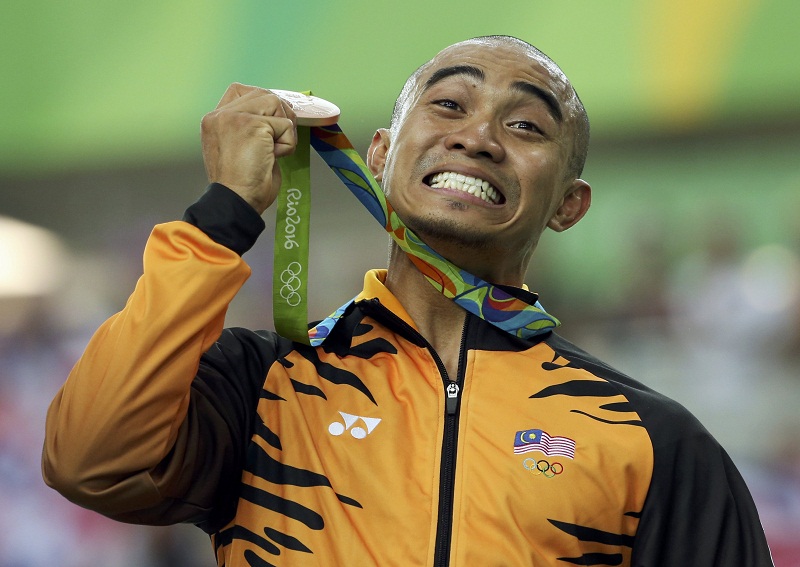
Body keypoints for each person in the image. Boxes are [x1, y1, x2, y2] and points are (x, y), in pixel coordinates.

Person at [42, 35, 773, 566]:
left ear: (569, 205)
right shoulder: (267, 386)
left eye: (525, 125)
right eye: (449, 103)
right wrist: (225, 214)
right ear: (382, 154)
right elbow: (89, 459)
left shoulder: (652, 441)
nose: (478, 137)